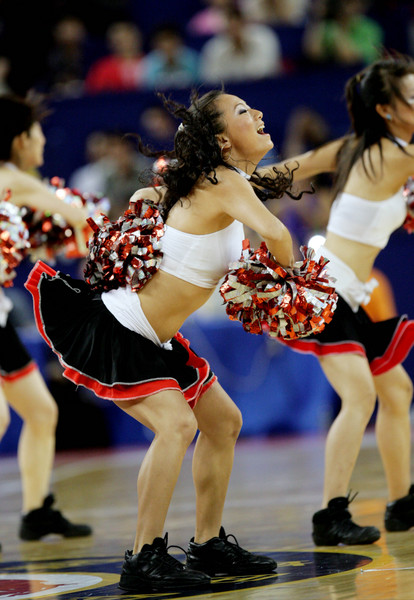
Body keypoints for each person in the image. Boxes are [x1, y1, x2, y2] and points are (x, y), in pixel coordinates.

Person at [24, 89, 299, 593]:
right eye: (243, 111)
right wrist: (291, 289)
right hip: (121, 330)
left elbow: (150, 197)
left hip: (156, 339)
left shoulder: (218, 180)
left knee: (224, 423)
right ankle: (144, 555)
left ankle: (209, 542)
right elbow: (278, 235)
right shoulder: (222, 179)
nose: (258, 112)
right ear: (219, 139)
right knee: (176, 425)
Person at [260, 54, 414, 545]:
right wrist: (209, 185)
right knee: (360, 397)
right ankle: (330, 516)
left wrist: (240, 181)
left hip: (349, 291)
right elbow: (279, 173)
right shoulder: (393, 155)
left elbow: (281, 172)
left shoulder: (354, 148)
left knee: (397, 393)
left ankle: (403, 502)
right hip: (326, 290)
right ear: (388, 109)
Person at [0, 95, 92, 544]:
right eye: (36, 133)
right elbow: (79, 217)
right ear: (20, 140)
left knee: (40, 411)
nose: (42, 141)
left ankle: (36, 513)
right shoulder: (12, 179)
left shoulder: (12, 183)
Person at [200, 6, 282, 83]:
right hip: (229, 92)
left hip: (263, 87)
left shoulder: (264, 36)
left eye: (237, 24)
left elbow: (268, 70)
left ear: (243, 21)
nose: (234, 29)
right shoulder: (214, 47)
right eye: (230, 27)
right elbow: (212, 78)